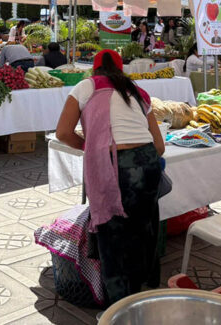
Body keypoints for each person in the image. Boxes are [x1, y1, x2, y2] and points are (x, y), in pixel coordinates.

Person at [55, 49, 165, 304]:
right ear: (121, 69)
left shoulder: (86, 86)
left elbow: (63, 133)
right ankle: (139, 293)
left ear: (94, 69)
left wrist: (91, 147)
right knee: (141, 229)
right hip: (148, 162)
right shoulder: (137, 91)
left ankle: (119, 306)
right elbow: (159, 146)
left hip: (114, 164)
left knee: (112, 236)